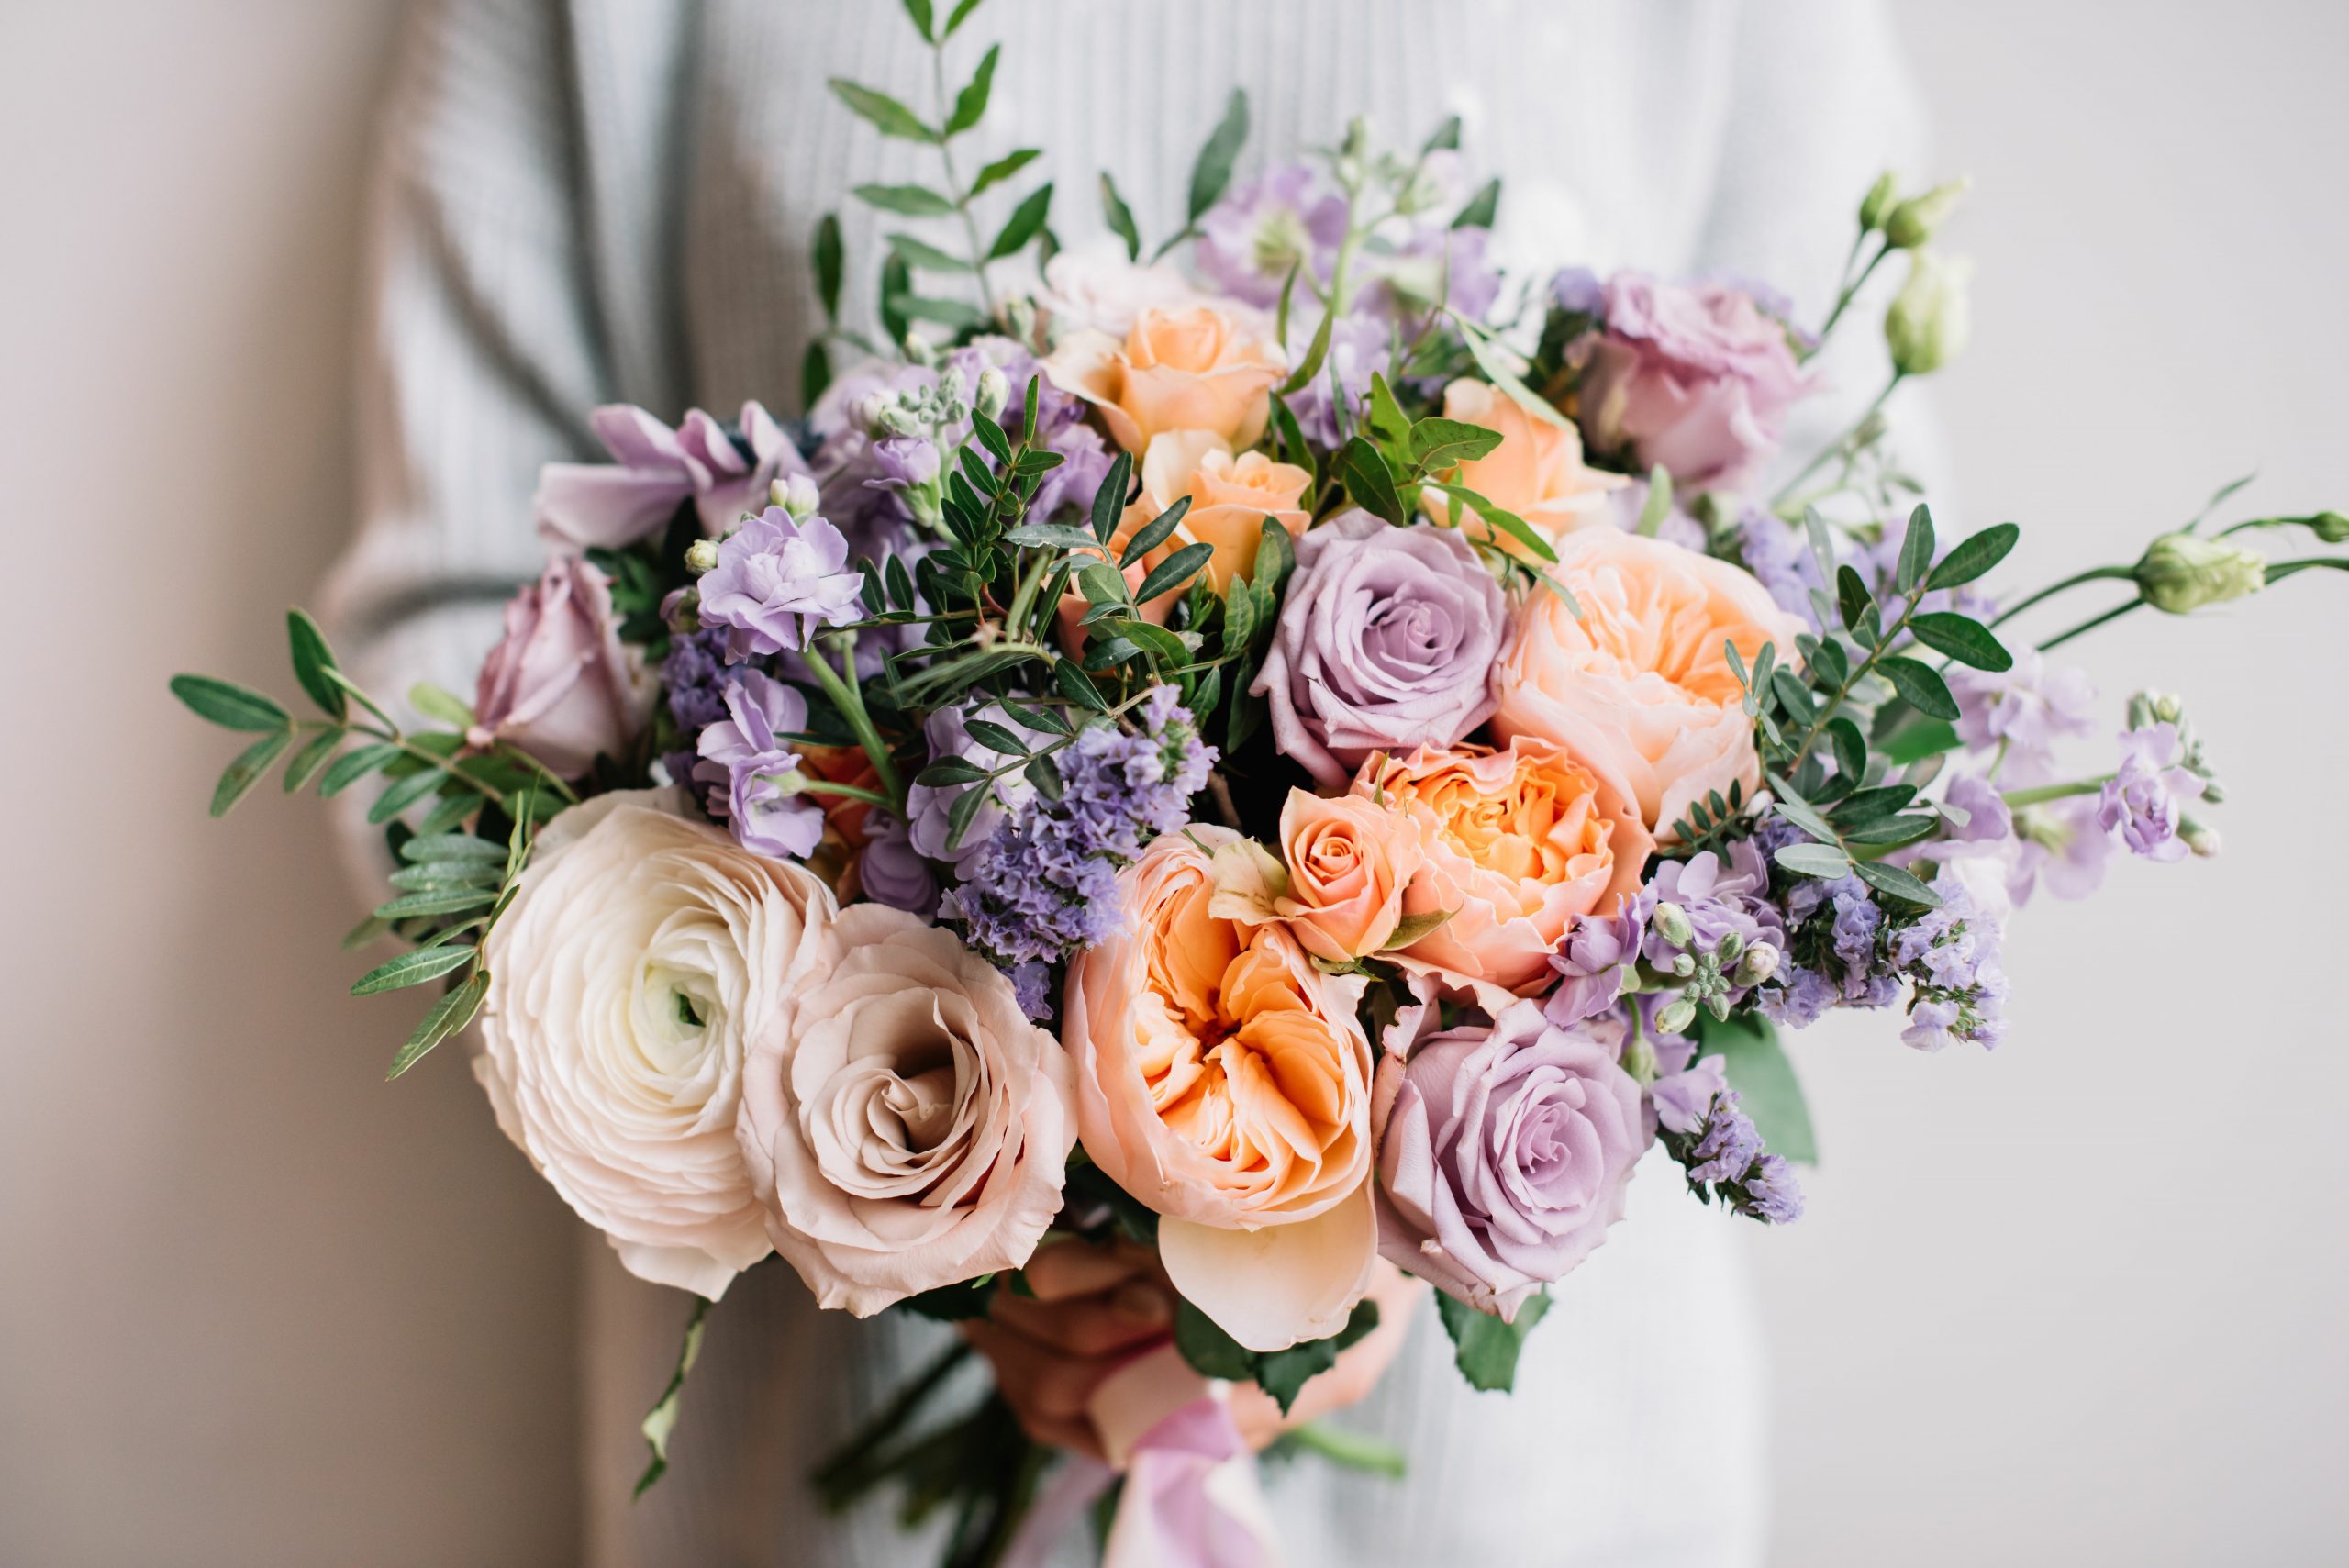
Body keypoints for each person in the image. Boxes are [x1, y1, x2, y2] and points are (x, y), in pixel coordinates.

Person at [326, 2, 1928, 1562]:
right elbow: (438, 653)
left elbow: (1849, 668)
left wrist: (1363, 1211)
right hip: (821, 1485)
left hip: (1539, 1500)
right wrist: (936, 1190)